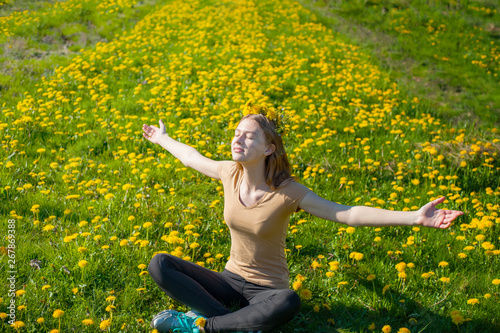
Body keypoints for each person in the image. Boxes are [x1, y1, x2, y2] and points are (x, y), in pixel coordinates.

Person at [142, 101, 463, 333]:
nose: (237, 139)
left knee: (288, 302)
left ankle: (203, 326)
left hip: (267, 290)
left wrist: (413, 217)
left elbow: (347, 214)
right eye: (236, 133)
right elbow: (191, 158)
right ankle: (231, 323)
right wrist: (161, 138)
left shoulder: (288, 192)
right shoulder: (230, 172)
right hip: (228, 279)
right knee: (160, 264)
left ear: (269, 149)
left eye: (248, 136)